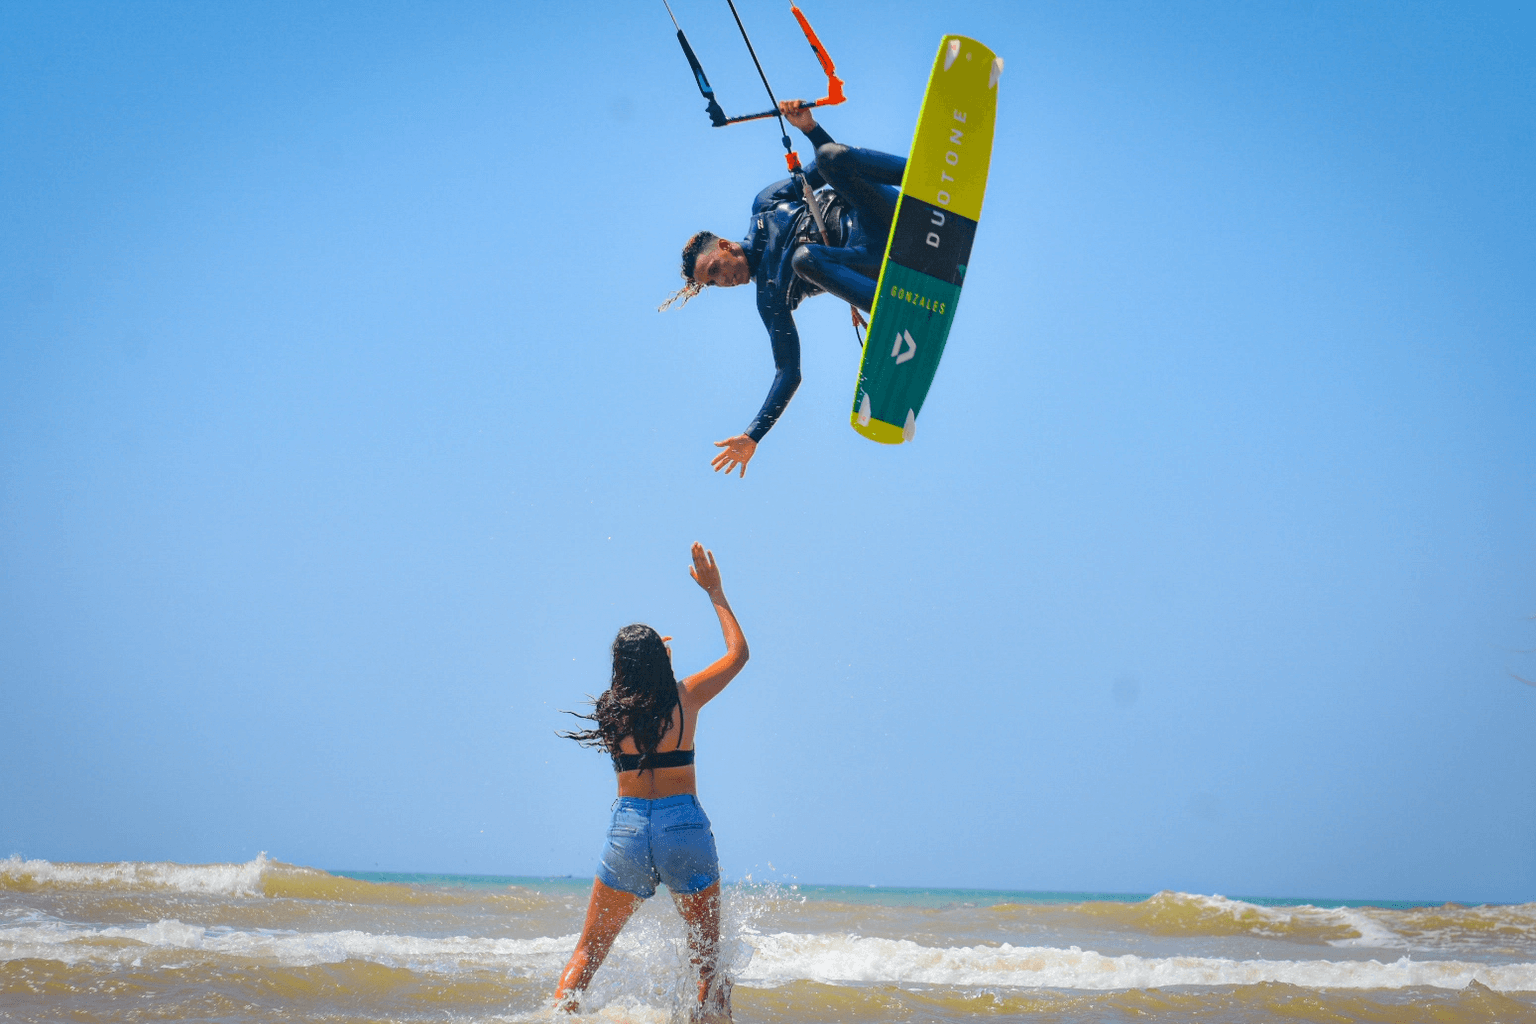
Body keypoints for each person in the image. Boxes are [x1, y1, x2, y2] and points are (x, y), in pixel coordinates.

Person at [553, 542, 750, 1021]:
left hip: (630, 830)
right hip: (683, 825)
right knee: (707, 964)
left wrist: (651, 660)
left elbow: (637, 687)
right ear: (662, 664)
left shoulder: (610, 712)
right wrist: (715, 592)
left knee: (587, 955)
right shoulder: (686, 698)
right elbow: (738, 654)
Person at [660, 100, 907, 478]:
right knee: (805, 260)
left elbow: (825, 169)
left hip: (881, 211)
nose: (722, 281)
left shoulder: (766, 205)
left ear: (725, 245)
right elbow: (788, 371)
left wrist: (809, 127)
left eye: (714, 270)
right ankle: (893, 312)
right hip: (875, 264)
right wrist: (752, 435)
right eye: (712, 283)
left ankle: (924, 180)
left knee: (829, 154)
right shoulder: (770, 299)